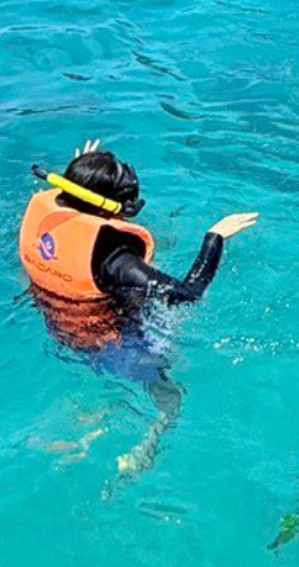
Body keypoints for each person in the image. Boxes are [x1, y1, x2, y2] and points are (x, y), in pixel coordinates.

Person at [19, 142, 258, 479]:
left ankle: (91, 430)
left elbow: (78, 204)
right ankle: (140, 448)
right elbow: (187, 295)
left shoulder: (55, 216)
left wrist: (82, 168)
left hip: (60, 328)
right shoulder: (116, 259)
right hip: (115, 343)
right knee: (173, 399)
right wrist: (215, 238)